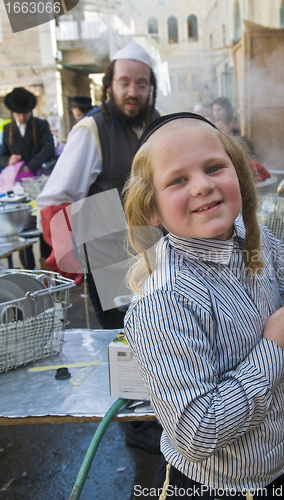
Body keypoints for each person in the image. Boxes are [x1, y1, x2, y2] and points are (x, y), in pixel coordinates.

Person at [123, 113, 284, 499]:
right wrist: (277, 350)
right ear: (152, 208)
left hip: (279, 464)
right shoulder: (165, 301)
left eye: (214, 167)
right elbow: (196, 433)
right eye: (177, 180)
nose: (202, 186)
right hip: (213, 486)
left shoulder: (253, 241)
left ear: (240, 177)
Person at [36, 40, 162, 454]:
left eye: (140, 84)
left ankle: (166, 410)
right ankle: (137, 424)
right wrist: (65, 259)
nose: (132, 91)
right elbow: (56, 197)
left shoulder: (157, 122)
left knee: (162, 333)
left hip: (155, 246)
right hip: (108, 244)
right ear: (109, 85)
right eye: (124, 82)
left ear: (150, 88)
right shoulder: (91, 128)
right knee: (127, 340)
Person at [0, 87, 55, 269]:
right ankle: (28, 268)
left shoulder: (41, 125)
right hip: (19, 188)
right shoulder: (8, 128)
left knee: (42, 222)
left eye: (25, 113)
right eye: (19, 113)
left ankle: (45, 265)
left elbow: (48, 149)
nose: (22, 117)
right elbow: (2, 155)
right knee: (24, 225)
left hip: (40, 183)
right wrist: (10, 160)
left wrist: (29, 166)